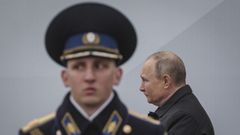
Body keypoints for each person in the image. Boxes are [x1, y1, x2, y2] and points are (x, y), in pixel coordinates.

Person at [19, 3, 166, 135]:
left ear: (117, 75)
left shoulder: (151, 132)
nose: (89, 76)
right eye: (78, 66)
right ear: (65, 77)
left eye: (100, 66)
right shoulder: (36, 133)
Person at [139, 51, 214, 135]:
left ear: (166, 81)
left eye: (145, 80)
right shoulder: (178, 113)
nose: (141, 88)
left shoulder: (185, 119)